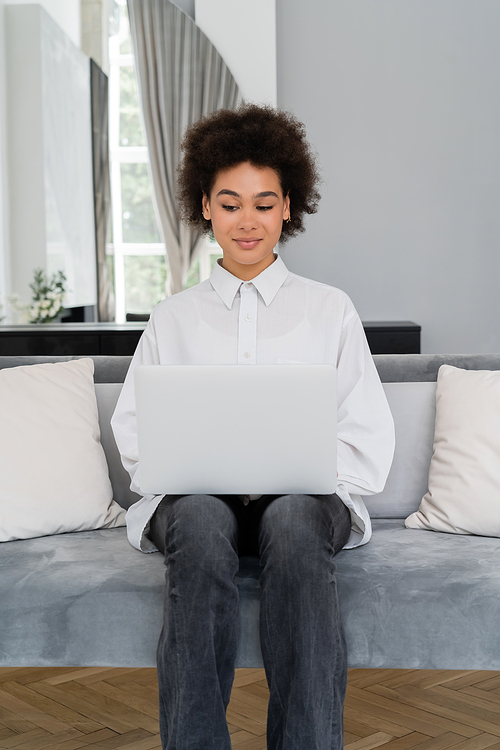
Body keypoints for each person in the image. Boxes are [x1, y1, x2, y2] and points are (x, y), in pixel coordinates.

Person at [111, 103, 395, 750]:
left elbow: (365, 432)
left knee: (295, 518)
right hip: (196, 506)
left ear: (288, 208)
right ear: (205, 207)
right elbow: (135, 429)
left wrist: (322, 476)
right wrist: (173, 471)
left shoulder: (331, 311)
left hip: (303, 505)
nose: (248, 221)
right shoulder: (173, 317)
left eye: (264, 204)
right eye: (231, 202)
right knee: (203, 519)